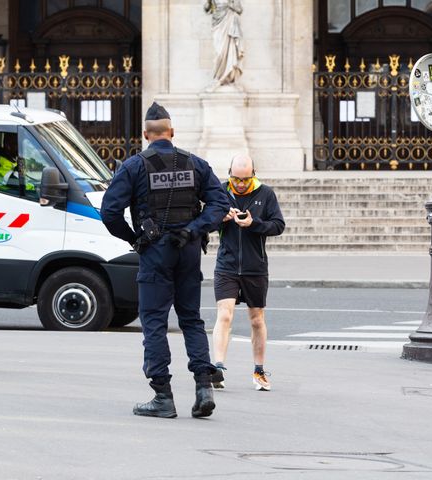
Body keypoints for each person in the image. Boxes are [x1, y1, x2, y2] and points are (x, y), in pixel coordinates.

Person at [100, 102, 229, 419]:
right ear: (172, 133)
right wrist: (194, 230)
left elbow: (109, 212)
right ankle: (203, 388)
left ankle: (162, 396)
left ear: (146, 135)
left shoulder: (133, 167)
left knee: (155, 323)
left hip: (155, 251)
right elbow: (219, 203)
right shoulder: (195, 164)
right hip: (187, 249)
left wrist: (133, 238)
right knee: (191, 319)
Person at [211, 154, 285, 391]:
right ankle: (218, 368)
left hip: (255, 267)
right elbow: (206, 221)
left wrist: (254, 225)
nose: (240, 184)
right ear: (229, 174)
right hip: (227, 265)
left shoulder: (265, 194)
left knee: (256, 319)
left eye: (245, 179)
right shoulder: (221, 192)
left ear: (254, 174)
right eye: (236, 179)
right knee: (224, 314)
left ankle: (259, 371)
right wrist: (221, 219)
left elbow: (278, 225)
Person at [203, 0, 244, 87]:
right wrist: (209, 3)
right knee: (219, 53)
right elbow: (207, 9)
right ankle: (218, 78)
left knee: (230, 51)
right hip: (218, 25)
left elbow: (239, 10)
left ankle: (227, 79)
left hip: (229, 24)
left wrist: (230, 5)